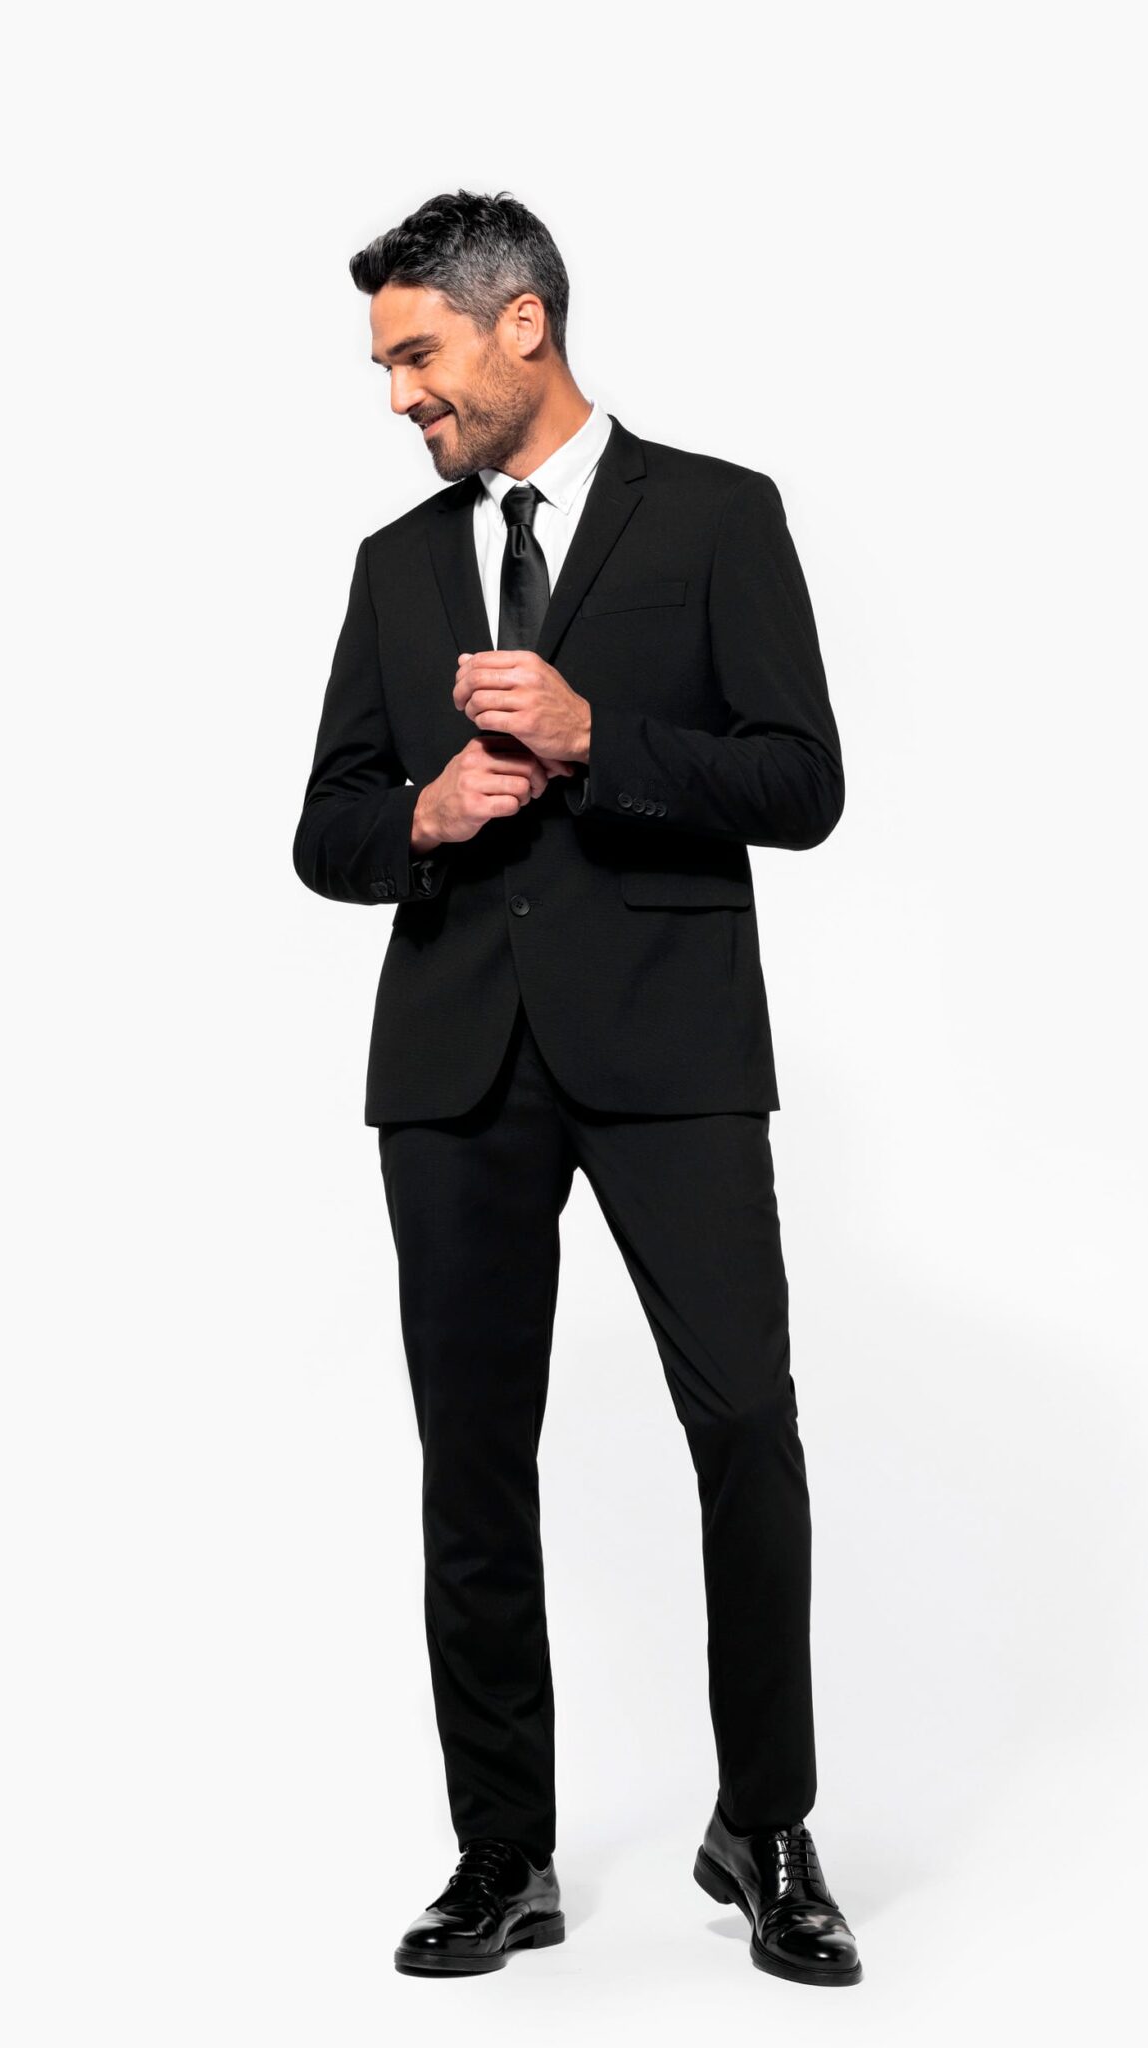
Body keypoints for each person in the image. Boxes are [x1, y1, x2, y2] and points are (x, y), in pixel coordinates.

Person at [291, 188, 862, 1989]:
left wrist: (597, 737)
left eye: (417, 355)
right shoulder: (392, 565)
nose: (399, 394)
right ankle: (501, 1853)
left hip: (670, 1047)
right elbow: (324, 827)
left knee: (744, 1427)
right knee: (471, 1459)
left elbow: (801, 783)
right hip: (454, 1062)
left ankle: (765, 1827)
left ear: (519, 322)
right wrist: (420, 814)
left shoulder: (716, 515)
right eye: (386, 365)